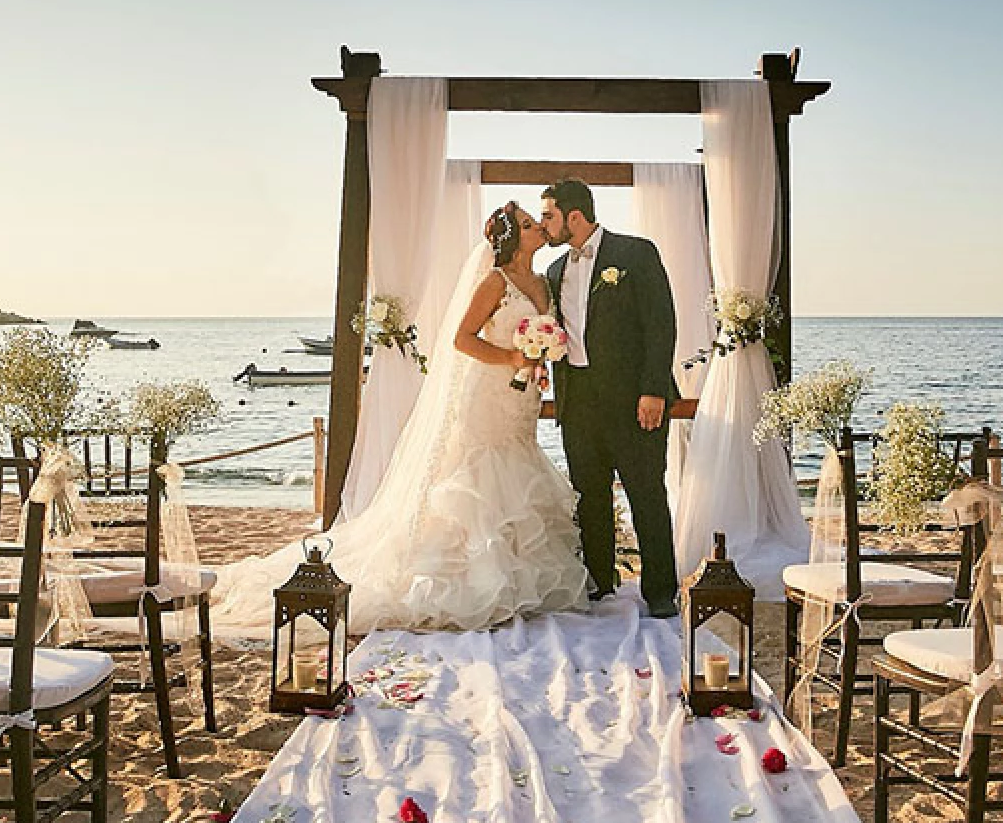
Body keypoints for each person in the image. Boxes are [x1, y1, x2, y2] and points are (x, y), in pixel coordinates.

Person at [206, 203, 587, 635]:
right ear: (512, 239)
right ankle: (474, 580)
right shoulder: (494, 283)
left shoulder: (542, 283)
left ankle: (521, 580)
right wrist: (511, 356)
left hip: (521, 403)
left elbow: (545, 339)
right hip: (486, 397)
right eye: (526, 224)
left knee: (519, 474)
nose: (537, 227)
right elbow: (462, 339)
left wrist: (538, 365)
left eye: (535, 222)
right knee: (479, 481)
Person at [539, 178, 680, 617]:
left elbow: (661, 323)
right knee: (589, 496)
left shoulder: (635, 253)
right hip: (579, 404)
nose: (545, 226)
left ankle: (660, 593)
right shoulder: (555, 271)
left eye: (549, 216)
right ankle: (599, 583)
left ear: (574, 216)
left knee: (646, 495)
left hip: (635, 402)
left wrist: (653, 388)